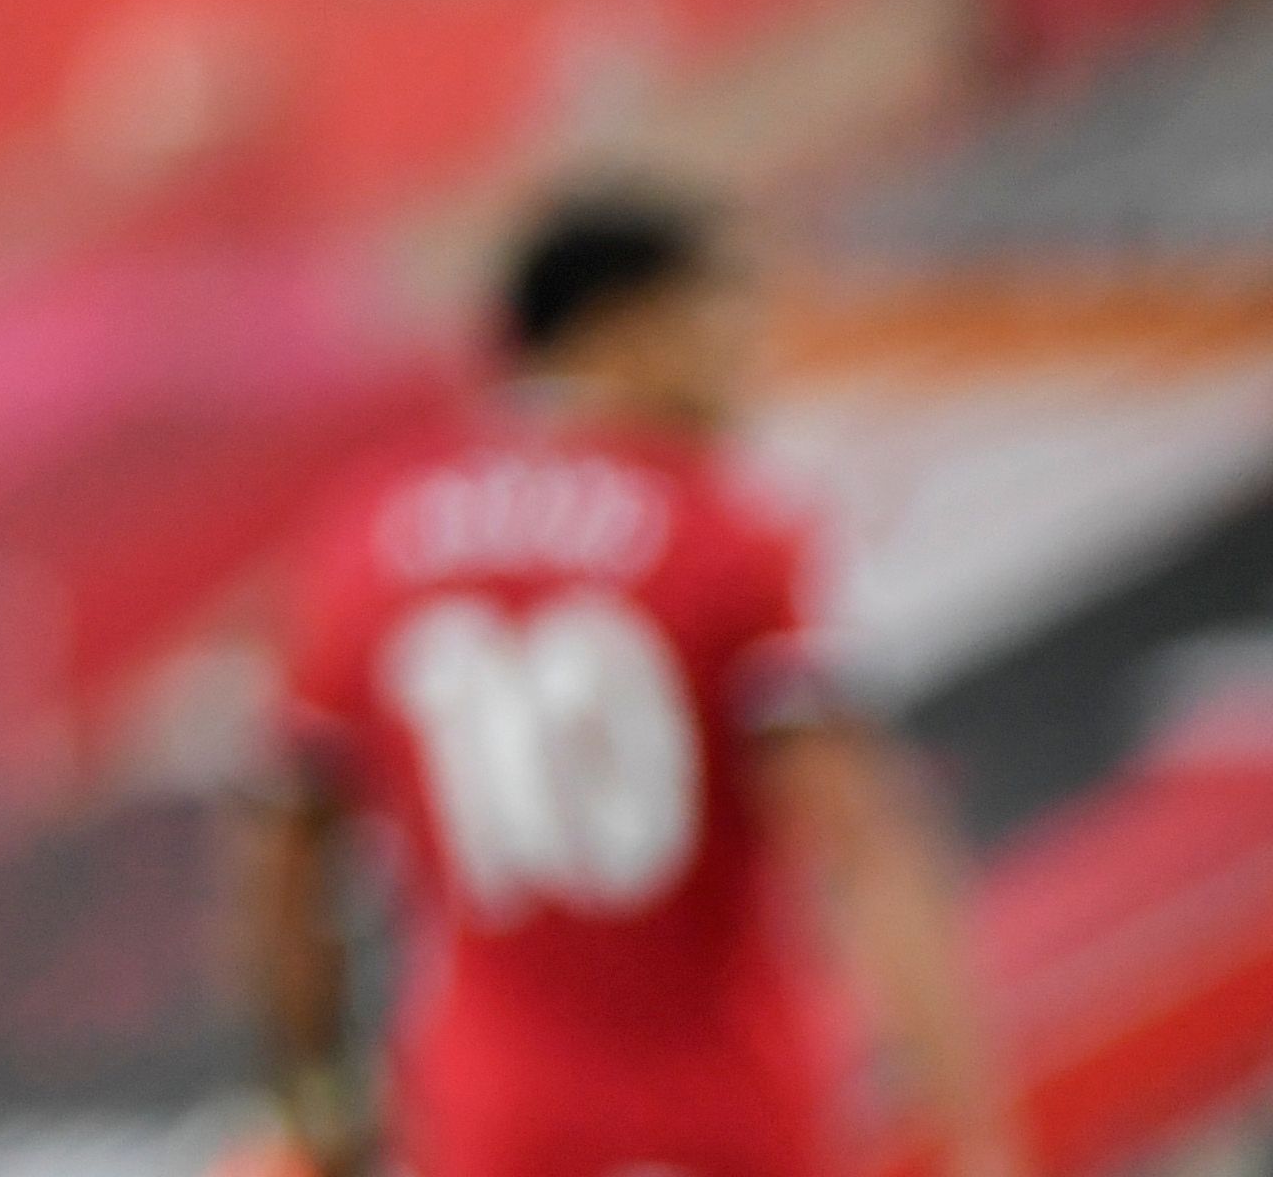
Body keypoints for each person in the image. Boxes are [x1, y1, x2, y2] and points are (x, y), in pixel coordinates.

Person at [244, 183, 1021, 1177]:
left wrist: (312, 1100)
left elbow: (282, 854)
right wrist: (974, 1127)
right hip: (728, 1106)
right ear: (627, 325)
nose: (745, 355)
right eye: (722, 313)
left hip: (495, 1118)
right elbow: (863, 842)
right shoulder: (733, 533)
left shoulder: (364, 549)